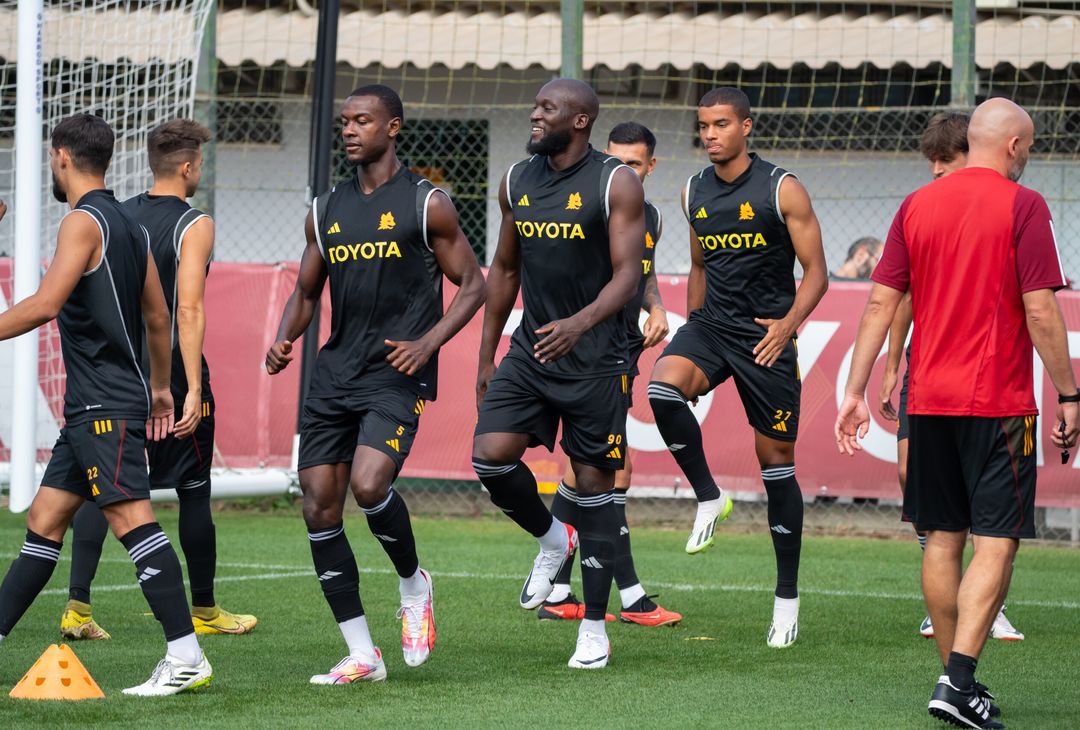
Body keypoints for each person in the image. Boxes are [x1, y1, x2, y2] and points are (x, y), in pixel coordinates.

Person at [836, 98, 1077, 728]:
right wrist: (1070, 395)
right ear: (1016, 147)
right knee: (997, 543)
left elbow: (879, 305)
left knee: (942, 540)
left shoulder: (917, 204)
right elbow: (1043, 311)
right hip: (997, 403)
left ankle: (956, 683)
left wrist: (855, 391)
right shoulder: (1024, 205)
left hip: (928, 400)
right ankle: (959, 679)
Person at [265, 84, 485, 684]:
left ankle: (414, 585)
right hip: (335, 372)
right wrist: (286, 336)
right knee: (317, 506)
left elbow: (474, 285)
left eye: (363, 120)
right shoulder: (325, 207)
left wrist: (428, 343)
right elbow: (308, 291)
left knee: (369, 483)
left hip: (395, 372)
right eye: (345, 121)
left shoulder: (426, 203)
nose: (351, 129)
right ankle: (363, 652)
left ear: (393, 127)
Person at [0, 113, 213, 695]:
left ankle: (187, 656)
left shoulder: (81, 222)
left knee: (131, 520)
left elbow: (45, 304)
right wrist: (163, 387)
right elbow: (158, 315)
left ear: (61, 157)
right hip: (100, 405)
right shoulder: (130, 225)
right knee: (44, 522)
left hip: (103, 405)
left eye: (50, 157)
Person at [60, 119, 257, 641]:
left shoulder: (116, 215)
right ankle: (206, 611)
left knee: (104, 487)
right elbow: (184, 308)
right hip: (167, 375)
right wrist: (192, 387)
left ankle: (77, 607)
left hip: (117, 375)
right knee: (194, 490)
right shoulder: (195, 224)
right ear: (190, 167)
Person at [472, 78, 645, 669]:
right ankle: (552, 538)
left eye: (548, 107)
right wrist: (486, 354)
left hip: (598, 357)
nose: (534, 114)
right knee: (489, 455)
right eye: (536, 105)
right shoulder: (516, 180)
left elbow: (629, 276)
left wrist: (581, 322)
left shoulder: (614, 181)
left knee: (596, 488)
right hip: (534, 348)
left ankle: (594, 628)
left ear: (580, 120)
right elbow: (503, 268)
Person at [647, 87, 827, 648]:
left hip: (767, 338)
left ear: (746, 127)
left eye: (721, 124)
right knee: (661, 389)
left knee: (777, 469)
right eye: (703, 126)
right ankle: (709, 496)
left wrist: (787, 325)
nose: (710, 135)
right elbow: (699, 263)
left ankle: (786, 598)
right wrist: (693, 331)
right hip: (712, 329)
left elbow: (816, 272)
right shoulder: (692, 191)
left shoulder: (782, 188)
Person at [879, 111, 1024, 643]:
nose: (938, 170)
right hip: (928, 367)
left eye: (948, 159)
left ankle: (987, 602)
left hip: (987, 377)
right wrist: (893, 365)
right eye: (932, 161)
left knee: (986, 517)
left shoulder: (1006, 207)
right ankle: (951, 600)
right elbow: (899, 296)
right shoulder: (925, 208)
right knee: (907, 473)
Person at [540, 121, 681, 627]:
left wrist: (657, 306)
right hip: (585, 351)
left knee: (594, 471)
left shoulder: (654, 217)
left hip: (622, 348)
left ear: (650, 167)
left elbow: (639, 273)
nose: (624, 170)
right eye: (615, 159)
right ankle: (628, 596)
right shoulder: (595, 205)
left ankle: (562, 588)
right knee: (605, 470)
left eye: (634, 164)